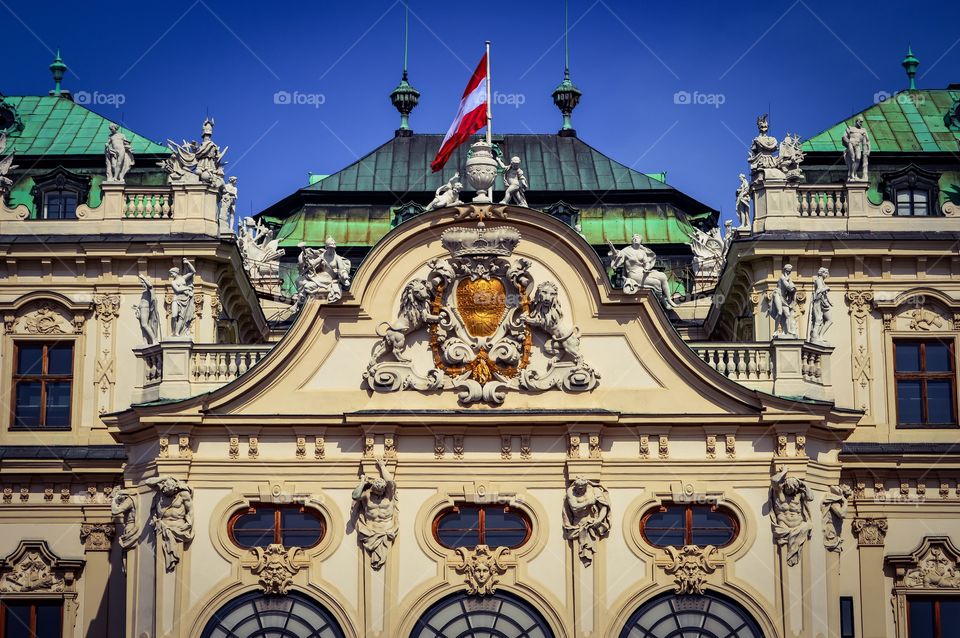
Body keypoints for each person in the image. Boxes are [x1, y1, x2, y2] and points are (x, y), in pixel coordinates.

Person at [352, 458, 398, 570]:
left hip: (387, 530)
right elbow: (355, 496)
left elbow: (391, 482)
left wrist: (382, 466)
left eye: (382, 491)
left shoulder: (389, 495)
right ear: (373, 489)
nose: (380, 493)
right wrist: (362, 482)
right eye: (377, 491)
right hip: (370, 532)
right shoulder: (367, 495)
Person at [608, 234, 677, 307]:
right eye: (634, 238)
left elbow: (646, 263)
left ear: (640, 241)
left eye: (637, 238)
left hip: (643, 272)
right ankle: (662, 301)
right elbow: (617, 256)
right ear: (632, 240)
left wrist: (647, 268)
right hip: (634, 274)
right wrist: (612, 248)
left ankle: (669, 299)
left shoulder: (642, 252)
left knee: (663, 276)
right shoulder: (626, 251)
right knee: (656, 283)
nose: (635, 239)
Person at [168, 259, 196, 337]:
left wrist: (188, 263)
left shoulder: (183, 278)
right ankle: (173, 331)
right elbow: (177, 289)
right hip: (176, 299)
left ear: (176, 273)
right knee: (174, 315)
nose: (171, 275)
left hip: (185, 299)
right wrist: (187, 288)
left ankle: (177, 332)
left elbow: (193, 272)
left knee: (181, 317)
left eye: (172, 273)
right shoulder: (173, 282)